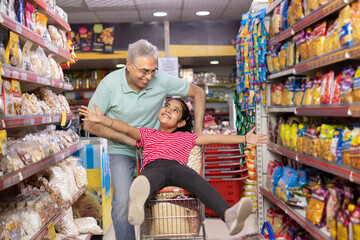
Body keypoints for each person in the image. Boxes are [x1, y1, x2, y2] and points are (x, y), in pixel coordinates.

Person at [79, 99, 267, 236]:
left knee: (198, 182)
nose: (168, 110)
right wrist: (103, 119)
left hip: (178, 168)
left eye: (175, 110)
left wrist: (244, 138)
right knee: (147, 180)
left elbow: (216, 138)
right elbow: (126, 128)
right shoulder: (148, 133)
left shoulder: (187, 137)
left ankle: (228, 214)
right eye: (167, 106)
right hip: (154, 166)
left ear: (182, 122)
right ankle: (137, 205)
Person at [83, 39, 206, 240]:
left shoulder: (161, 80)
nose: (149, 77)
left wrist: (197, 135)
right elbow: (89, 124)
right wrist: (125, 139)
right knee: (122, 202)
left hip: (154, 149)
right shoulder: (109, 85)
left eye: (153, 71)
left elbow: (198, 93)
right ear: (128, 64)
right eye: (143, 71)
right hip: (122, 150)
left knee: (162, 199)